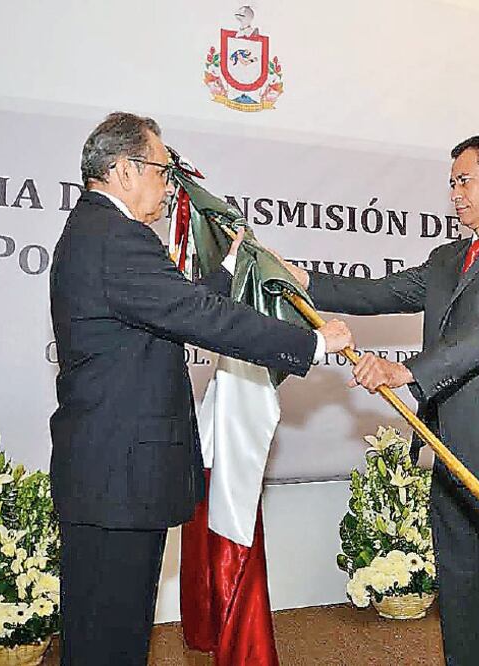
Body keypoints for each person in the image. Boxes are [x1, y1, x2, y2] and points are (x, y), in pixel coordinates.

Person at [48, 111, 352, 665]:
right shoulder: (116, 238)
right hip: (118, 477)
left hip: (110, 475)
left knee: (108, 634)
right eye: (163, 171)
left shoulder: (98, 232)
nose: (170, 187)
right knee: (108, 640)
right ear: (123, 171)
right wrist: (311, 343)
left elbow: (170, 308)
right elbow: (200, 316)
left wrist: (230, 267)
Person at [284, 135, 479, 665]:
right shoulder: (447, 258)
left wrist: (409, 372)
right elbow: (379, 292)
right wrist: (300, 279)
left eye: (464, 181)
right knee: (462, 595)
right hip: (448, 446)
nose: (455, 194)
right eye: (451, 184)